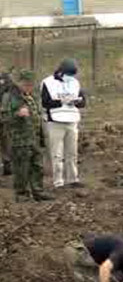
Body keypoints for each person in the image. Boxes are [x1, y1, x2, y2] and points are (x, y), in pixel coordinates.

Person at [2, 70, 53, 202]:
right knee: (21, 168)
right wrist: (17, 115)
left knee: (37, 166)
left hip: (34, 138)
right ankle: (22, 194)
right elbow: (3, 118)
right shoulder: (9, 97)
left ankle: (38, 191)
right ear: (19, 83)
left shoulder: (31, 96)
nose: (29, 87)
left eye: (31, 85)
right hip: (19, 140)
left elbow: (37, 115)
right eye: (26, 84)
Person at [41, 59, 86, 189]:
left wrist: (76, 102)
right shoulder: (48, 83)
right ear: (61, 72)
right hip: (55, 121)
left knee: (72, 153)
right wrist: (62, 101)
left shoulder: (75, 82)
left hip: (72, 121)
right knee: (57, 154)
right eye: (68, 74)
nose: (70, 77)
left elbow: (83, 102)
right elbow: (45, 102)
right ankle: (58, 181)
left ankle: (73, 179)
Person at [0, 71, 14, 176]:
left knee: (6, 141)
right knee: (6, 141)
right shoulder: (9, 85)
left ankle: (7, 165)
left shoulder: (9, 87)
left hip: (6, 118)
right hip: (6, 117)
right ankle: (7, 165)